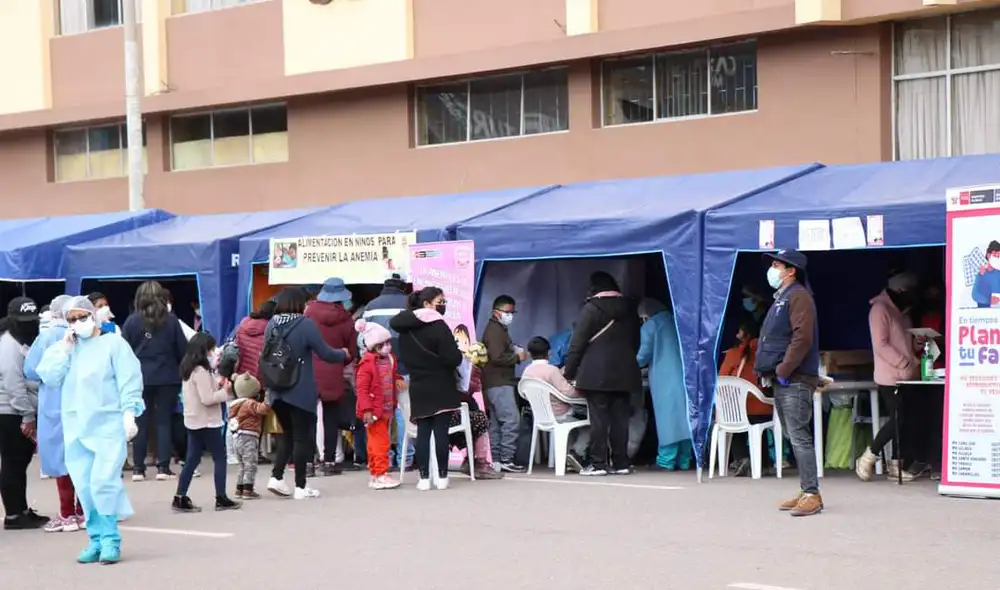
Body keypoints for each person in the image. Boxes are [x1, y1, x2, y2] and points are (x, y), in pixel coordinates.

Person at [35, 296, 144, 564]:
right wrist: (63, 349)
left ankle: (110, 540)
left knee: (103, 482)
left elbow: (129, 379)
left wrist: (129, 413)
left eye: (81, 317)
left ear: (92, 316)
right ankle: (95, 540)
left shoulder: (113, 344)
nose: (77, 323)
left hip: (107, 425)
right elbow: (49, 376)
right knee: (84, 485)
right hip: (76, 427)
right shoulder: (67, 349)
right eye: (71, 319)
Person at [755, 250, 822, 517]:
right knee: (793, 435)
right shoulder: (783, 297)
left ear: (791, 270)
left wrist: (784, 368)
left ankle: (812, 494)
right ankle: (806, 489)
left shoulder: (798, 296)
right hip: (784, 378)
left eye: (776, 265)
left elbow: (802, 338)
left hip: (795, 377)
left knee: (799, 436)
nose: (772, 270)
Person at [264, 287, 348, 500]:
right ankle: (301, 487)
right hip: (299, 389)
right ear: (299, 304)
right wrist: (343, 353)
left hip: (276, 389)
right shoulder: (305, 324)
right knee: (302, 438)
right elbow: (325, 353)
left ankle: (276, 477)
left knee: (287, 434)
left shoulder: (271, 324)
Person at [564, 272, 642, 477]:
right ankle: (621, 462)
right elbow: (636, 341)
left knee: (599, 420)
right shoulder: (630, 308)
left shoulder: (591, 308)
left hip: (596, 372)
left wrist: (569, 371)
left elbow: (577, 344)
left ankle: (598, 464)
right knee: (620, 419)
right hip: (625, 371)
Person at [390, 287, 464, 491]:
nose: (443, 305)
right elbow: (453, 358)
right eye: (440, 301)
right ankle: (442, 477)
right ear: (427, 304)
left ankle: (423, 478)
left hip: (418, 385)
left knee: (423, 432)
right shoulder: (439, 326)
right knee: (441, 431)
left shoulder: (405, 329)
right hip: (441, 383)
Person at [25, 295, 84, 533]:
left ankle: (67, 514)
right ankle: (84, 511)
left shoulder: (47, 336)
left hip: (54, 405)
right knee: (82, 458)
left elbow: (31, 370)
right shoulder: (84, 333)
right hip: (81, 403)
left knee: (62, 461)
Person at [856, 270, 921, 483]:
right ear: (901, 289)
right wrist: (903, 362)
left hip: (908, 375)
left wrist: (917, 344)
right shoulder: (879, 309)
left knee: (906, 421)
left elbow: (906, 342)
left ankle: (896, 465)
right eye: (910, 290)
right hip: (890, 375)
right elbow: (880, 344)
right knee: (897, 419)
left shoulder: (903, 312)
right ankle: (868, 456)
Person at [122, 281, 188, 482]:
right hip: (167, 377)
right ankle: (163, 467)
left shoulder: (131, 321)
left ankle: (138, 469)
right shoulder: (172, 321)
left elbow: (124, 352)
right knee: (163, 421)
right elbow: (183, 350)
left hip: (139, 378)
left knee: (141, 422)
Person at [172, 333, 240, 513]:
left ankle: (180, 496)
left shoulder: (189, 369)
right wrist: (225, 393)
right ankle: (221, 497)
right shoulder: (201, 371)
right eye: (211, 349)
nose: (213, 352)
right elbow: (207, 399)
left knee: (192, 459)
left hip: (193, 419)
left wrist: (217, 386)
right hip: (206, 421)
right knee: (220, 458)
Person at [0, 297, 47, 530]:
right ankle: (14, 515)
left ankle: (22, 509)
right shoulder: (8, 345)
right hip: (10, 412)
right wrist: (27, 415)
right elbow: (13, 383)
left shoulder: (19, 340)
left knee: (20, 462)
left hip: (17, 410)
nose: (28, 324)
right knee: (13, 463)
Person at [305, 278, 358, 477]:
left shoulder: (308, 314)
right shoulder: (346, 319)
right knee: (331, 419)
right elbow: (351, 352)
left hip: (309, 371)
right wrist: (338, 359)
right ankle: (329, 462)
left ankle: (308, 463)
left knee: (309, 419)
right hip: (333, 372)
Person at [636, 298, 693, 471]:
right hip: (686, 376)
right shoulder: (679, 320)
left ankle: (666, 460)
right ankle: (684, 460)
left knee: (667, 420)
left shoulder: (651, 325)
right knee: (685, 419)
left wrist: (631, 366)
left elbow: (643, 355)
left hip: (664, 378)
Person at [363, 273, 412, 470]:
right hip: (404, 366)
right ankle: (405, 458)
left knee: (384, 414)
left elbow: (363, 339)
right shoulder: (408, 303)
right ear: (403, 286)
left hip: (379, 369)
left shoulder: (371, 306)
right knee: (404, 413)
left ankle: (386, 457)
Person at [521, 336, 590, 471]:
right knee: (592, 421)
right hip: (561, 414)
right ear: (549, 353)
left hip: (540, 416)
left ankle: (568, 458)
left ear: (529, 354)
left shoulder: (527, 371)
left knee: (573, 423)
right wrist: (583, 393)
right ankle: (576, 453)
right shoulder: (551, 370)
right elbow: (567, 392)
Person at [354, 319, 402, 490]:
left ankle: (376, 473)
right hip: (374, 411)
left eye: (388, 343)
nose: (387, 347)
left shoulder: (390, 359)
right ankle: (381, 473)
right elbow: (362, 389)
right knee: (380, 443)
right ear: (373, 346)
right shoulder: (367, 364)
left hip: (387, 409)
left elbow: (392, 375)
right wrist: (367, 409)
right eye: (382, 344)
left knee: (376, 442)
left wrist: (398, 379)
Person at [482, 294, 527, 473]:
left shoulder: (497, 329)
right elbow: (496, 357)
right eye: (507, 312)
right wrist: (517, 357)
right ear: (496, 312)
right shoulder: (495, 332)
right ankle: (506, 458)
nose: (510, 315)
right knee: (511, 420)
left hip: (493, 382)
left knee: (496, 424)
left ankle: (496, 460)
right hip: (499, 382)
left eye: (512, 312)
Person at [229, 374, 269, 499]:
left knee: (242, 465)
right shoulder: (249, 403)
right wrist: (268, 398)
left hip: (237, 438)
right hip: (249, 437)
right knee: (250, 465)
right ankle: (248, 489)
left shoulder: (233, 405)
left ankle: (239, 488)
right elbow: (262, 409)